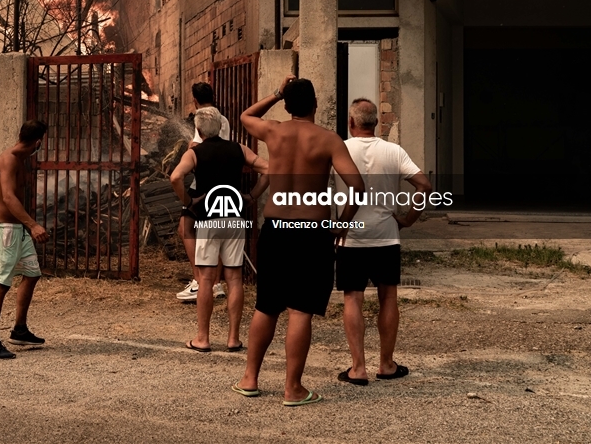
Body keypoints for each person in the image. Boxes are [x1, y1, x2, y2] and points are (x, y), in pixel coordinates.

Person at [232, 75, 365, 406]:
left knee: (267, 306)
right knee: (301, 309)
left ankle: (250, 378)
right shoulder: (329, 139)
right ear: (316, 105)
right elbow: (358, 186)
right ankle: (292, 389)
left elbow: (246, 117)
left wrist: (276, 93)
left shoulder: (273, 131)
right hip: (310, 230)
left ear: (287, 106)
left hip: (276, 227)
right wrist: (342, 224)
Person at [334, 98, 432, 386]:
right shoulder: (394, 151)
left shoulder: (339, 149)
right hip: (386, 234)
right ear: (376, 122)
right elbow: (424, 186)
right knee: (388, 296)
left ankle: (358, 368)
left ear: (351, 123)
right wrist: (409, 219)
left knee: (353, 297)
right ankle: (387, 364)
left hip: (350, 236)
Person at [169, 107, 269, 352]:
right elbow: (268, 169)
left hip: (209, 220)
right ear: (221, 127)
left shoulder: (195, 153)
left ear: (200, 130)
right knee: (234, 278)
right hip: (234, 219)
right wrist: (252, 196)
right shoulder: (238, 149)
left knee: (205, 279)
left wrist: (188, 202)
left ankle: (202, 338)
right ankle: (233, 338)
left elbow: (175, 178)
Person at [0, 120, 51, 360]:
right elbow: (9, 198)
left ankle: (19, 330)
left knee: (32, 273)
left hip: (18, 229)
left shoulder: (19, 159)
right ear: (38, 141)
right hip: (5, 230)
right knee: (0, 282)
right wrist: (33, 225)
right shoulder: (10, 159)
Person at [176, 82, 232, 302]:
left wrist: (189, 147)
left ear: (195, 100)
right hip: (223, 183)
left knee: (185, 228)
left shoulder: (202, 118)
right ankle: (215, 283)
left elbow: (198, 148)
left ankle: (200, 280)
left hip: (202, 184)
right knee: (214, 233)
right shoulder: (223, 119)